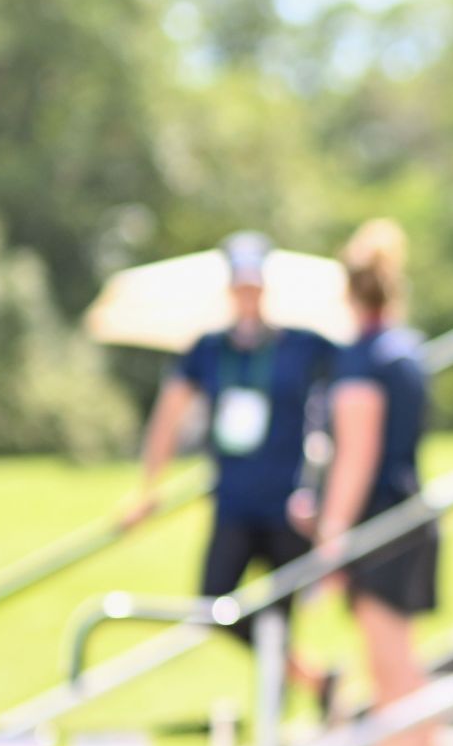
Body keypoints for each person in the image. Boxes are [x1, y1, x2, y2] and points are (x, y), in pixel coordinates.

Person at [122, 231, 335, 707]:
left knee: (281, 614)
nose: (247, 295)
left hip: (287, 503)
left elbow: (347, 396)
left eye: (254, 285)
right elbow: (169, 415)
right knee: (214, 603)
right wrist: (147, 487)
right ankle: (314, 678)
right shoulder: (209, 349)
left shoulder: (301, 345)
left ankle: (286, 705)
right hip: (235, 500)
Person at [307, 219, 440, 746]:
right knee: (396, 665)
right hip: (408, 512)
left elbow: (355, 454)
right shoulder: (404, 350)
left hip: (381, 522)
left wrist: (331, 538)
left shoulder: (364, 358)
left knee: (391, 670)